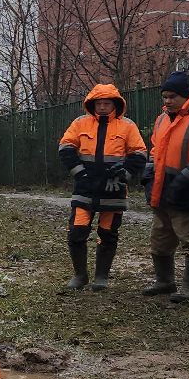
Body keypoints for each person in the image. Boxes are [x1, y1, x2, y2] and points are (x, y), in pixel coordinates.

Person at [57, 83, 147, 292]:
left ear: (115, 104)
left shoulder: (127, 126)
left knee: (108, 233)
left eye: (107, 103)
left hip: (113, 187)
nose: (103, 107)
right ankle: (80, 275)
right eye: (99, 103)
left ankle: (101, 277)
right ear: (92, 104)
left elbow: (139, 153)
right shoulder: (80, 123)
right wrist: (79, 172)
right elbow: (65, 147)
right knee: (77, 231)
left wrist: (124, 173)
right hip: (85, 186)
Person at [141, 70, 189, 302]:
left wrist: (185, 180)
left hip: (187, 191)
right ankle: (165, 281)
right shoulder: (163, 117)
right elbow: (155, 149)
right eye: (164, 97)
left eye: (172, 96)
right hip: (161, 188)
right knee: (160, 238)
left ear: (186, 95)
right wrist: (150, 172)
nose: (167, 101)